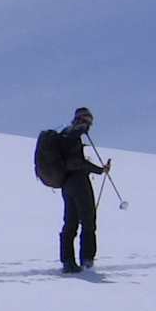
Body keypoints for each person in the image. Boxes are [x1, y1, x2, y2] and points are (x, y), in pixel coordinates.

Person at [57, 106, 109, 274]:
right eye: (89, 121)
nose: (90, 126)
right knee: (88, 221)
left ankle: (68, 262)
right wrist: (99, 170)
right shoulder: (75, 134)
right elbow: (77, 162)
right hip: (79, 182)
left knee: (70, 223)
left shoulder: (64, 133)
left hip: (66, 183)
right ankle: (87, 262)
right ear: (84, 120)